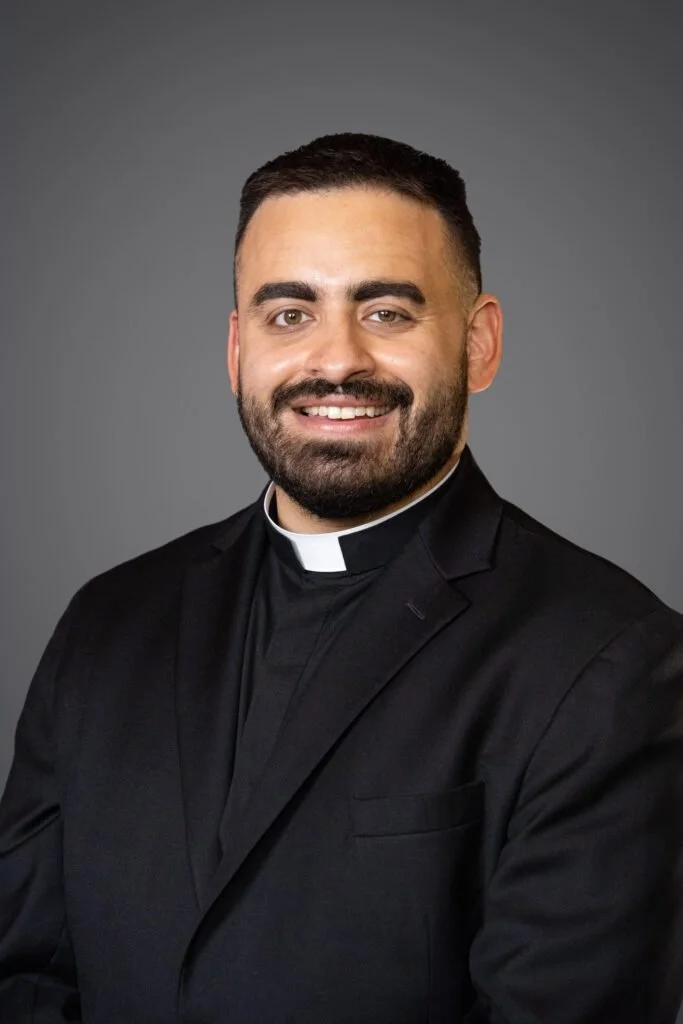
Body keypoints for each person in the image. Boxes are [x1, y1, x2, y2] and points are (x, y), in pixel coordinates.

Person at [1, 132, 682, 1024]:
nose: (335, 360)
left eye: (387, 312)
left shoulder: (611, 660)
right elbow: (25, 973)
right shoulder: (109, 621)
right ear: (237, 348)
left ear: (478, 344)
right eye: (290, 314)